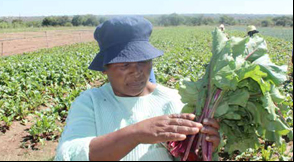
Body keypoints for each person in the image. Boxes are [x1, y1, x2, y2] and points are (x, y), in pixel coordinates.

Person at [54, 16, 220, 161]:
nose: (137, 72)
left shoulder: (173, 100)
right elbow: (69, 154)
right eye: (125, 64)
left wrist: (203, 149)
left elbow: (186, 157)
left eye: (143, 61)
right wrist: (136, 134)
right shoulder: (90, 102)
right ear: (105, 68)